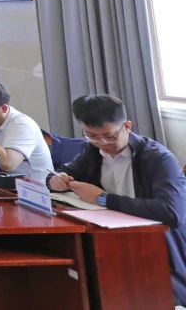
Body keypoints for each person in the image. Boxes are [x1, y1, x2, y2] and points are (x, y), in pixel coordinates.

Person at [47, 94, 186, 305]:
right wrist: (55, 180)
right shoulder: (94, 150)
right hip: (108, 240)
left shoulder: (157, 158)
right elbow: (66, 171)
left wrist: (103, 199)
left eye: (109, 136)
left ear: (127, 126)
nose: (102, 143)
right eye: (91, 135)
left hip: (154, 248)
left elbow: (171, 212)